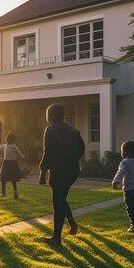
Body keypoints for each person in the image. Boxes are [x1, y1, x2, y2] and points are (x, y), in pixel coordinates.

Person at [39, 104, 85, 247]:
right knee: (61, 197)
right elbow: (82, 148)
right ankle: (72, 223)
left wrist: (42, 171)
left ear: (50, 116)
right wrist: (72, 159)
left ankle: (56, 238)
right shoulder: (73, 130)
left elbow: (48, 154)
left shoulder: (51, 130)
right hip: (72, 169)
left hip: (58, 170)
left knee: (57, 202)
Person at [0, 133, 25, 199]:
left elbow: (19, 153)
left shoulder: (14, 146)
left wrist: (23, 157)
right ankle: (3, 193)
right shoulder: (5, 145)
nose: (8, 140)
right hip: (6, 163)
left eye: (10, 139)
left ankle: (15, 192)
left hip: (12, 163)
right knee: (3, 178)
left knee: (13, 178)